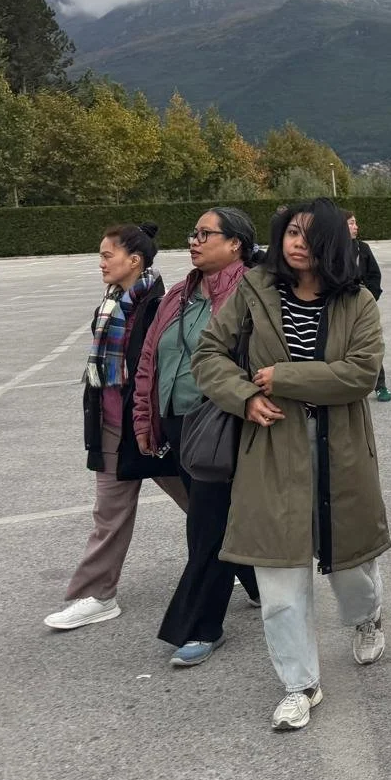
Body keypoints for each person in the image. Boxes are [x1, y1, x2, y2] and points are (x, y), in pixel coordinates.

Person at [194, 198, 390, 731]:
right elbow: (209, 353)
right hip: (271, 446)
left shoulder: (358, 301)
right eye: (291, 232)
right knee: (279, 576)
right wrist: (244, 396)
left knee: (352, 568)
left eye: (310, 234)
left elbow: (360, 374)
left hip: (341, 449)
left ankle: (367, 617)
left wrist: (282, 379)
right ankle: (299, 684)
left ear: (333, 244)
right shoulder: (254, 290)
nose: (297, 242)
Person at [132, 208, 263, 664]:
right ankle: (258, 583)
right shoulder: (177, 295)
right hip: (177, 421)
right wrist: (145, 419)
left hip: (221, 420)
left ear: (236, 245)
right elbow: (150, 359)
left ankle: (201, 625)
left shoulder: (251, 291)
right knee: (215, 516)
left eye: (206, 234)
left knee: (205, 526)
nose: (194, 240)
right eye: (193, 233)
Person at [46, 224, 190, 631]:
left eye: (108, 255)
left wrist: (156, 422)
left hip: (151, 429)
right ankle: (97, 595)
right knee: (108, 514)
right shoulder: (109, 304)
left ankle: (245, 570)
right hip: (113, 428)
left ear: (135, 260)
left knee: (201, 503)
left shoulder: (161, 306)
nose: (101, 262)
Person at [346, 209, 390, 402]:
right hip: (340, 304)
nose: (356, 227)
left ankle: (380, 385)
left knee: (371, 342)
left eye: (355, 223)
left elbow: (374, 275)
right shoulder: (329, 250)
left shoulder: (362, 248)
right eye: (351, 223)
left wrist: (370, 298)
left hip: (363, 303)